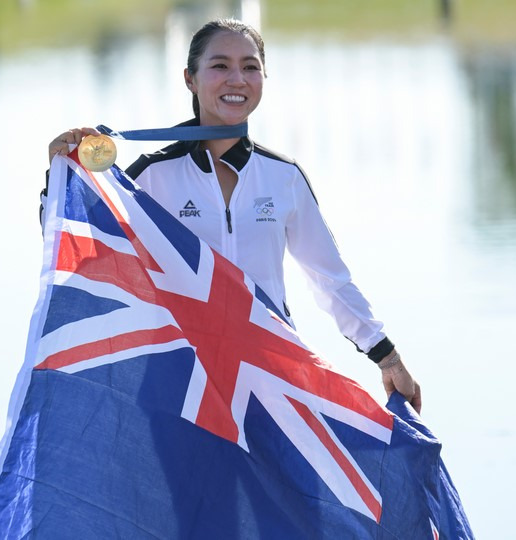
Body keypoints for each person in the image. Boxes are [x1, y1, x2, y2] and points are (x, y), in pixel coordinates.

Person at [45, 18, 421, 413]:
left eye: (250, 66)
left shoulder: (283, 177)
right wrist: (59, 177)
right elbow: (83, 254)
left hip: (270, 372)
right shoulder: (150, 176)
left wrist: (388, 358)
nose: (237, 79)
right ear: (190, 78)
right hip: (182, 380)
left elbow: (330, 280)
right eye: (220, 66)